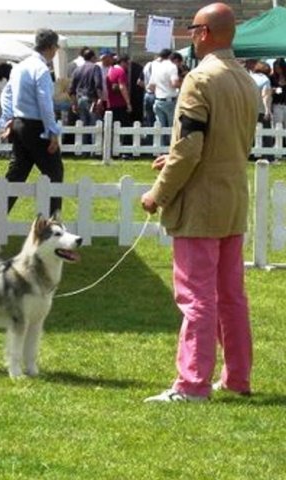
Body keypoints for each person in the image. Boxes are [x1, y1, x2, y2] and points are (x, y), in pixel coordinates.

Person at [141, 2, 258, 403]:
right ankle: (238, 376)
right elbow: (231, 141)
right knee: (231, 295)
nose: (190, 35)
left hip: (201, 206)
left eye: (192, 29)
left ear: (204, 32)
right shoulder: (244, 79)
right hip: (233, 200)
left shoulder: (199, 79)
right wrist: (174, 156)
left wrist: (158, 192)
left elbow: (190, 147)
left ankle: (192, 384)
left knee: (196, 297)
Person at [0, 28, 63, 220]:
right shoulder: (42, 69)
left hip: (20, 125)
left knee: (16, 176)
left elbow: (6, 95)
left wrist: (9, 118)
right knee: (54, 173)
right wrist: (52, 131)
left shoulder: (20, 67)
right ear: (52, 47)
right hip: (36, 127)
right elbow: (45, 103)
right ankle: (52, 225)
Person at [148, 48, 180, 146]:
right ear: (171, 56)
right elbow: (174, 83)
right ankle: (171, 149)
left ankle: (159, 150)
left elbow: (151, 86)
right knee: (172, 127)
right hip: (170, 100)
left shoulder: (156, 67)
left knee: (159, 127)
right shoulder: (172, 67)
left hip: (158, 100)